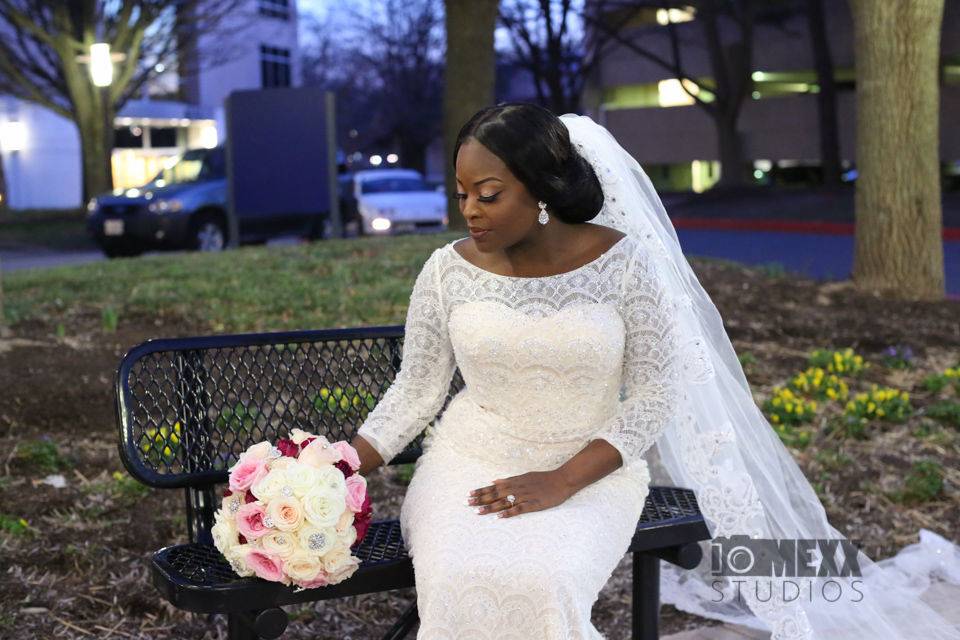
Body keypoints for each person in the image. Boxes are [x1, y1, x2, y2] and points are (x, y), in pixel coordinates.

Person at [349, 103, 960, 639]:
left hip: (590, 469)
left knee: (542, 580)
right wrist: (338, 466)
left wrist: (562, 480)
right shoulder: (445, 270)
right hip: (468, 465)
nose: (470, 212)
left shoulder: (623, 263)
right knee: (459, 575)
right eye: (462, 194)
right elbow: (417, 389)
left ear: (541, 192)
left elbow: (653, 394)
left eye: (489, 194)